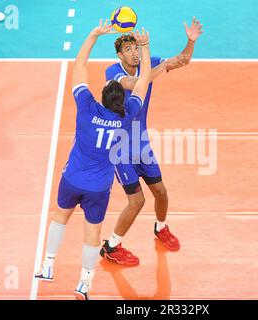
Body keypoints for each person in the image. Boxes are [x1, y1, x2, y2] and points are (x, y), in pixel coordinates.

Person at [34, 19, 156, 300]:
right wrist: (146, 47)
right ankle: (84, 283)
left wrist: (94, 35)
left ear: (100, 97)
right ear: (122, 103)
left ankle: (48, 265)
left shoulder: (87, 108)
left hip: (73, 178)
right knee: (92, 233)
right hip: (99, 187)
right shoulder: (128, 117)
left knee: (60, 218)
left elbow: (78, 67)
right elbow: (144, 80)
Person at [100, 17, 204, 266]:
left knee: (161, 193)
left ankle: (161, 228)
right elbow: (137, 83)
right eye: (129, 49)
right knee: (137, 201)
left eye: (137, 48)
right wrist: (159, 66)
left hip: (142, 146)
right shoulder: (112, 72)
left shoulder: (147, 63)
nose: (134, 53)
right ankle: (111, 246)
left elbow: (183, 59)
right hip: (120, 150)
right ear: (119, 54)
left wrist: (189, 42)